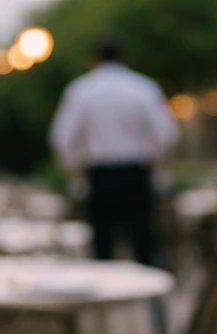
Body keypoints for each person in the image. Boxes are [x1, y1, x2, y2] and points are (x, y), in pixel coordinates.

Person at [49, 37, 179, 268]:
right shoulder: (144, 87)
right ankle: (151, 300)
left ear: (93, 59)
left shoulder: (81, 90)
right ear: (125, 58)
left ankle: (103, 303)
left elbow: (61, 139)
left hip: (101, 175)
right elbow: (167, 134)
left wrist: (78, 174)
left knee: (102, 249)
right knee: (143, 245)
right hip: (136, 173)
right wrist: (156, 167)